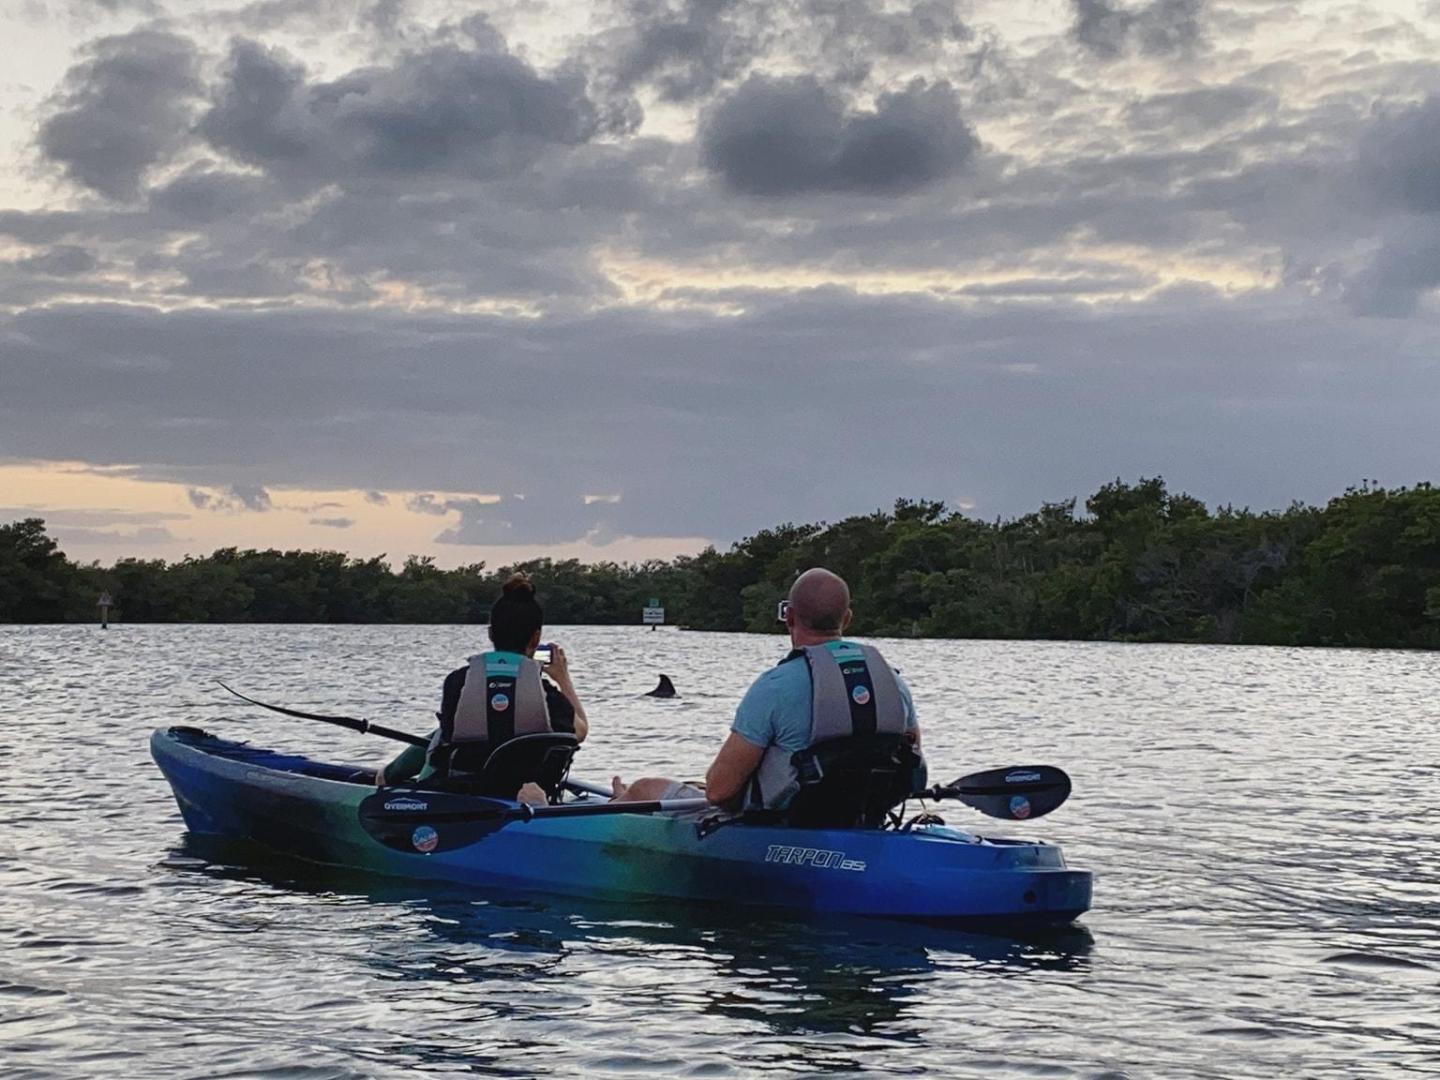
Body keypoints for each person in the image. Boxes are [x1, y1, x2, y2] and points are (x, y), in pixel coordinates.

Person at [612, 568, 922, 813]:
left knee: (643, 789)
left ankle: (613, 810)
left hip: (780, 823)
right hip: (866, 816)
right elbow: (914, 767)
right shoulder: (893, 682)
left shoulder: (774, 686)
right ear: (847, 618)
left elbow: (719, 791)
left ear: (788, 616)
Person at [378, 574, 588, 793]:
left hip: (460, 790)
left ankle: (390, 778)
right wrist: (563, 678)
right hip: (522, 792)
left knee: (440, 734)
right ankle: (390, 776)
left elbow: (448, 736)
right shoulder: (546, 695)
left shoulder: (457, 682)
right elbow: (580, 731)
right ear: (536, 638)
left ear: (490, 633)